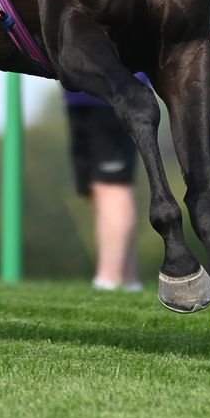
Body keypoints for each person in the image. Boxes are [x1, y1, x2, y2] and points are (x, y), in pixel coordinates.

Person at [65, 84, 145, 291]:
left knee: (113, 188)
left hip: (114, 95)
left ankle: (109, 280)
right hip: (81, 97)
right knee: (97, 191)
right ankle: (128, 281)